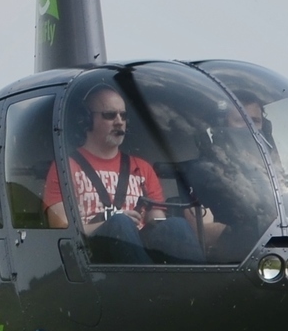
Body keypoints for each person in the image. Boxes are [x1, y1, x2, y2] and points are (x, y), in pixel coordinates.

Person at [42, 85, 202, 263]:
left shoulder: (142, 168)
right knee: (120, 223)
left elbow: (157, 220)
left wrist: (157, 225)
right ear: (86, 120)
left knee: (176, 226)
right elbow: (62, 229)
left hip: (137, 248)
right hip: (92, 256)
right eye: (109, 115)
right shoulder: (65, 167)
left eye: (123, 116)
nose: (119, 121)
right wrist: (110, 221)